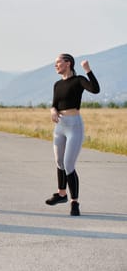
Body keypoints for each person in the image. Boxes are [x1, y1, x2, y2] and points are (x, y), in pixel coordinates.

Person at [45, 53, 100, 216]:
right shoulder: (57, 84)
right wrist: (52, 110)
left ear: (68, 63)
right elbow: (54, 104)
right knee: (59, 162)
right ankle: (61, 194)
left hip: (74, 125)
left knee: (69, 164)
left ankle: (74, 202)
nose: (55, 65)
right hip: (60, 126)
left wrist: (88, 70)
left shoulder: (78, 80)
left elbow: (95, 90)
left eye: (58, 62)